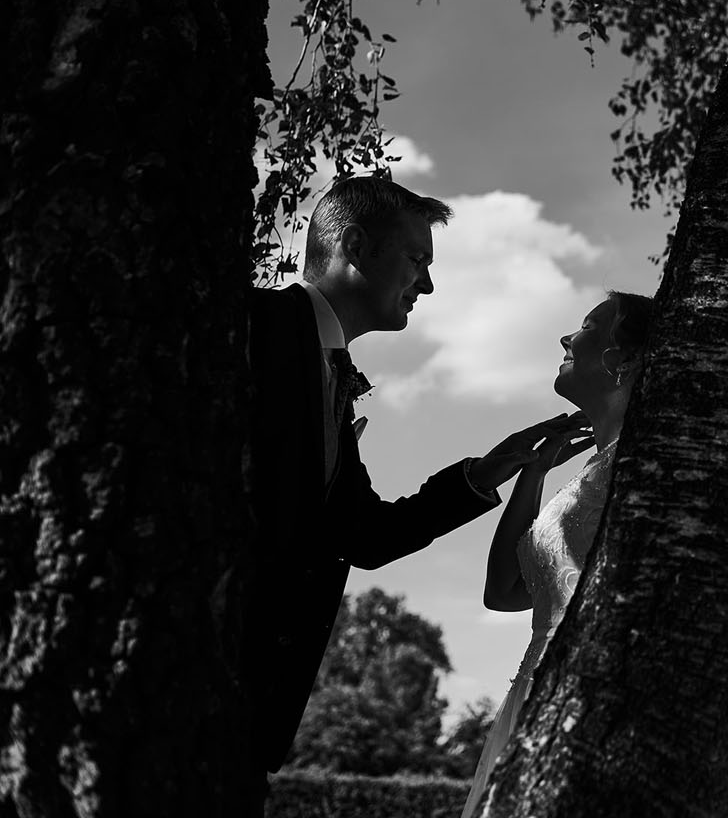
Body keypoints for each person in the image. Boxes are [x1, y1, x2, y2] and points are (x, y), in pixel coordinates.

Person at [244, 176, 590, 784]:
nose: (427, 284)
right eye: (416, 259)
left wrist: (486, 473)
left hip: (251, 717)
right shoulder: (255, 329)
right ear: (355, 246)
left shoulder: (334, 376)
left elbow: (363, 535)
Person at [460, 290, 655, 818]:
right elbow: (502, 593)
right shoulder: (587, 476)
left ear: (623, 358)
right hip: (533, 696)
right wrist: (534, 474)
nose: (567, 337)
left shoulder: (645, 473)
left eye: (588, 326)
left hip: (587, 704)